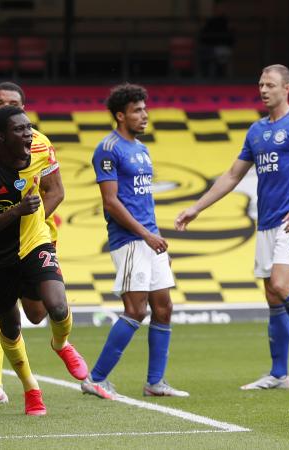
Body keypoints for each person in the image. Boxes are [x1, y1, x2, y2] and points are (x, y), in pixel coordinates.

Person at [175, 64, 289, 390]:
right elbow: (233, 176)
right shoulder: (256, 131)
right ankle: (278, 374)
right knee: (273, 295)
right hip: (266, 223)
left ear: (287, 87)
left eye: (270, 84)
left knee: (281, 284)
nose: (263, 89)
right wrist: (196, 208)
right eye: (260, 84)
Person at [0, 106, 87, 415]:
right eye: (20, 130)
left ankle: (61, 344)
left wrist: (31, 220)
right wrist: (17, 212)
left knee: (57, 306)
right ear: (0, 137)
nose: (28, 134)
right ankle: (30, 388)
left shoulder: (41, 146)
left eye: (29, 127)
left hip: (35, 241)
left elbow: (56, 190)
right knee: (11, 324)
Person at [82, 83, 188, 400]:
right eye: (137, 110)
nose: (144, 115)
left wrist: (156, 240)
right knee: (135, 309)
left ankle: (155, 382)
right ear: (120, 115)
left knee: (163, 307)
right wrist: (146, 235)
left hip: (148, 239)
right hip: (129, 240)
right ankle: (95, 378)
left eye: (145, 108)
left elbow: (143, 200)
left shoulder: (141, 150)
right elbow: (111, 203)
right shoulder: (107, 149)